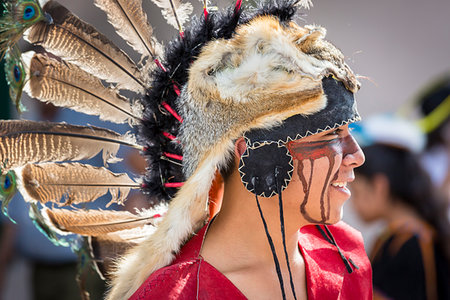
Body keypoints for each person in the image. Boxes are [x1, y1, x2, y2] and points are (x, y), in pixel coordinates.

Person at [0, 1, 372, 299]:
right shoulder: (175, 292)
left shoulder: (345, 255)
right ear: (250, 149)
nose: (357, 155)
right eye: (329, 133)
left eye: (348, 131)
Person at [351, 115, 450, 300]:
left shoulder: (410, 242)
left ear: (380, 186)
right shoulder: (405, 237)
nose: (352, 202)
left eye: (356, 191)